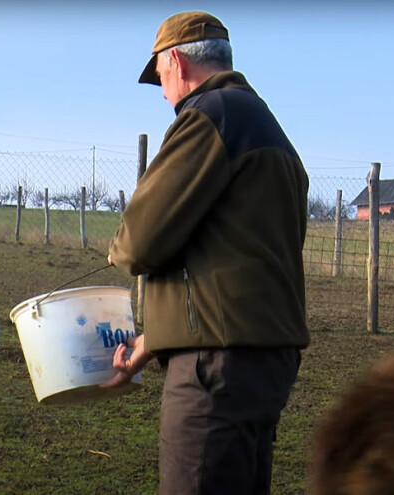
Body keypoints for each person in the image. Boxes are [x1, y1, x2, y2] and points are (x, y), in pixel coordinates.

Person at [102, 11, 310, 495]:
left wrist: (119, 249)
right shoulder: (270, 131)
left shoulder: (207, 117)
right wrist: (152, 340)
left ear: (174, 60)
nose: (162, 91)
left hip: (215, 368)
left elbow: (141, 242)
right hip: (262, 361)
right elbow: (233, 267)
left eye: (158, 76)